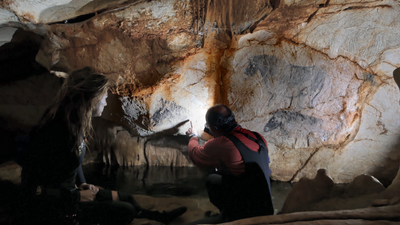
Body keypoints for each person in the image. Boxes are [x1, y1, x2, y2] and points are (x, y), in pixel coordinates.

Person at [18, 67, 186, 225]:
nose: (106, 102)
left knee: (125, 198)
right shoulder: (56, 131)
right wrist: (77, 197)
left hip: (72, 193)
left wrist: (83, 184)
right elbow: (35, 188)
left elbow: (73, 165)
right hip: (58, 206)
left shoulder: (75, 123)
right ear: (92, 99)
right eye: (104, 97)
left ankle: (159, 217)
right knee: (124, 211)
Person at [185, 104, 274, 224]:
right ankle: (227, 212)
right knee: (214, 178)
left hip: (246, 214)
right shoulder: (258, 137)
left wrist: (192, 136)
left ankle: (229, 217)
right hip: (266, 208)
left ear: (215, 128)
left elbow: (195, 155)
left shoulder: (222, 143)